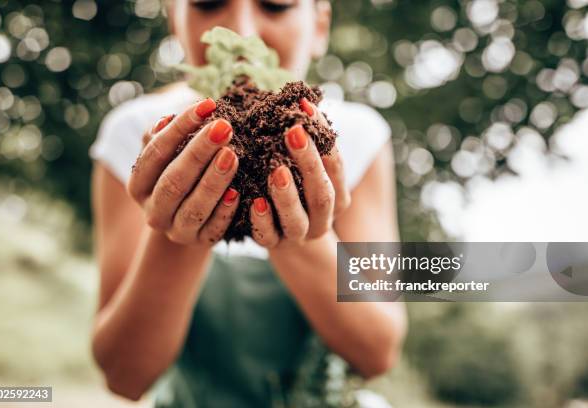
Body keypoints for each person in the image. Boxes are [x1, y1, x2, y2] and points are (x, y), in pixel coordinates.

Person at [89, 0, 407, 406]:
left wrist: (301, 236)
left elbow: (377, 352)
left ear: (320, 25)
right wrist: (177, 231)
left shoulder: (357, 138)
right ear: (174, 18)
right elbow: (124, 376)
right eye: (207, 4)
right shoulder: (137, 135)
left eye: (275, 6)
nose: (242, 33)